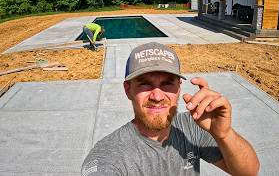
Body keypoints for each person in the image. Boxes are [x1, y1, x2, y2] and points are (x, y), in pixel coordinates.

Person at [81, 42, 260, 176]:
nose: (157, 96)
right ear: (128, 90)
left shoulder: (192, 127)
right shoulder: (110, 155)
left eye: (167, 84)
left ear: (179, 89)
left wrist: (224, 134)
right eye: (145, 84)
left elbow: (248, 172)